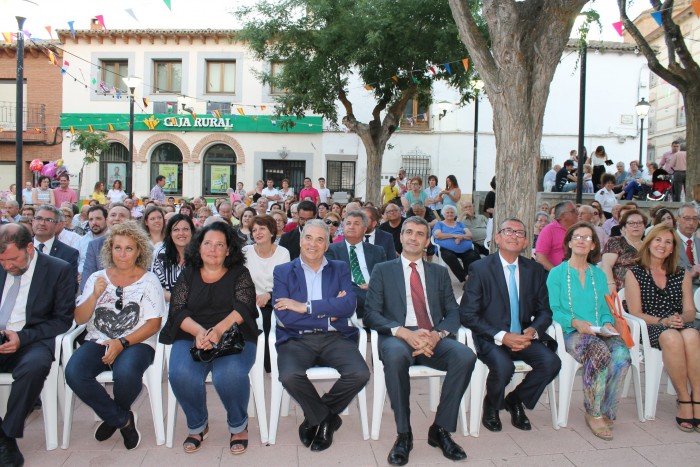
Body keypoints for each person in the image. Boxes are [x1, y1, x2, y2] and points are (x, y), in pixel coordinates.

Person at [364, 216, 475, 465]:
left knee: (465, 356)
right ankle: (404, 434)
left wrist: (437, 335)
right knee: (394, 355)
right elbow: (371, 313)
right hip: (398, 336)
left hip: (432, 335)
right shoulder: (383, 270)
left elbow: (453, 311)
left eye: (420, 234)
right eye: (409, 232)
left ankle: (441, 429)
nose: (414, 237)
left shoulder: (438, 272)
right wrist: (404, 332)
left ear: (427, 241)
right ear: (401, 237)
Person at [159, 222, 259, 454]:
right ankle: (198, 425)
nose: (213, 249)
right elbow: (178, 309)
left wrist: (217, 331)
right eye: (207, 244)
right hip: (192, 333)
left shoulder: (239, 274)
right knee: (181, 374)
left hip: (233, 334)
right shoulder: (188, 274)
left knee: (229, 375)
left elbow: (244, 307)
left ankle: (238, 425)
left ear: (228, 250)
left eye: (219, 245)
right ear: (199, 247)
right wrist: (199, 333)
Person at [65, 221, 165, 450]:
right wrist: (94, 296)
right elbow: (80, 319)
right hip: (98, 339)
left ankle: (112, 415)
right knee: (74, 372)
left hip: (137, 341)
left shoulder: (149, 281)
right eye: (117, 247)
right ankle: (121, 419)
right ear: (110, 249)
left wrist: (121, 343)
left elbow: (153, 324)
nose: (122, 253)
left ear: (139, 251)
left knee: (126, 373)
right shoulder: (97, 278)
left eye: (129, 248)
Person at [272, 219, 370, 452]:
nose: (313, 244)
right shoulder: (283, 271)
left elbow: (347, 306)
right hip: (295, 338)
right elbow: (285, 316)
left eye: (320, 239)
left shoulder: (340, 268)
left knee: (359, 373)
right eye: (308, 237)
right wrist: (328, 312)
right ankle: (326, 418)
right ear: (300, 240)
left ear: (327, 245)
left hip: (334, 338)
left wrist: (305, 307)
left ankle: (315, 416)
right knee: (289, 376)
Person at [460, 218, 561, 433]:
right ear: (497, 238)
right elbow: (467, 314)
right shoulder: (480, 268)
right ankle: (492, 405)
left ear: (526, 242)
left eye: (520, 233)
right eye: (508, 231)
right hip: (491, 337)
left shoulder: (534, 270)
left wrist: (533, 332)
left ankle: (515, 400)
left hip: (524, 335)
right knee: (505, 367)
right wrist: (502, 336)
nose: (514, 235)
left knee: (551, 362)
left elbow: (545, 311)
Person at [548, 222, 630, 440]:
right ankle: (593, 413)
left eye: (587, 238)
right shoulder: (557, 273)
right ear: (569, 242)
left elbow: (605, 309)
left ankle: (607, 410)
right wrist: (575, 322)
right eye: (577, 237)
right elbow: (552, 310)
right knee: (598, 351)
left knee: (622, 355)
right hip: (570, 332)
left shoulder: (599, 275)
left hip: (599, 330)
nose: (581, 241)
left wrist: (608, 323)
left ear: (594, 245)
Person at [0, 224, 74, 466]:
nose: (6, 266)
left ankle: (7, 437)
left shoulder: (58, 269)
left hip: (33, 339)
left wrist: (22, 337)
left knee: (34, 367)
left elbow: (62, 321)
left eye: (12, 259)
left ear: (29, 248)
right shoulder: (2, 264)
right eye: (2, 261)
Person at [624, 224, 700, 432]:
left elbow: (690, 311)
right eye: (658, 240)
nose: (662, 245)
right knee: (672, 338)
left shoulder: (680, 273)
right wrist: (663, 321)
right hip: (651, 326)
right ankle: (684, 400)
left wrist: (680, 318)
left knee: (692, 335)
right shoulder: (635, 273)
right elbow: (635, 312)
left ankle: (698, 397)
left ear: (673, 248)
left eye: (668, 242)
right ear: (649, 243)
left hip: (679, 324)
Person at [242, 215, 289, 373]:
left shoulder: (283, 253)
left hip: (274, 299)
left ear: (271, 231)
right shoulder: (245, 252)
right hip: (250, 299)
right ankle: (248, 363)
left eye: (262, 228)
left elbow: (286, 283)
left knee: (269, 319)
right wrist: (251, 297)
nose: (257, 232)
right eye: (254, 230)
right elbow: (240, 280)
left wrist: (268, 295)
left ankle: (269, 363)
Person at [326, 211, 386, 318]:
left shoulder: (377, 251)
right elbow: (335, 278)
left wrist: (373, 285)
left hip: (372, 292)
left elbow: (384, 277)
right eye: (348, 223)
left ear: (364, 229)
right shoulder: (331, 250)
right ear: (343, 228)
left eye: (356, 224)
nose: (351, 227)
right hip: (350, 295)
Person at [81, 203, 132, 293]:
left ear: (131, 221)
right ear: (107, 220)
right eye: (113, 215)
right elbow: (87, 279)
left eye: (122, 215)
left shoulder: (141, 245)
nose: (117, 218)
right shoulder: (95, 245)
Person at [31, 205, 79, 292]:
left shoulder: (69, 254)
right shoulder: (21, 248)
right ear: (33, 222)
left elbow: (70, 288)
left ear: (57, 225)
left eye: (49, 220)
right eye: (39, 218)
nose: (42, 223)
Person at [602, 209, 648, 292]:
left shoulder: (648, 245)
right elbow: (606, 266)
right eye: (631, 223)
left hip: (645, 290)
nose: (636, 225)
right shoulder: (616, 241)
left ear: (644, 227)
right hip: (621, 291)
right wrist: (610, 284)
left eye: (639, 223)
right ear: (624, 227)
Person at [151, 214, 194, 302]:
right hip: (169, 307)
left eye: (185, 229)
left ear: (192, 232)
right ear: (170, 233)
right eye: (176, 230)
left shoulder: (202, 253)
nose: (181, 233)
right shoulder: (161, 254)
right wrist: (179, 301)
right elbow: (156, 287)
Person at [432, 205, 479, 282]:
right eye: (447, 212)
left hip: (464, 249)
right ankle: (465, 277)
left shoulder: (460, 224)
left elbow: (469, 235)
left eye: (452, 212)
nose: (450, 214)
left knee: (471, 255)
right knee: (449, 256)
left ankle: (468, 280)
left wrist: (461, 237)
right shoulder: (439, 224)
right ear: (443, 214)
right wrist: (454, 235)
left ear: (455, 214)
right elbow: (438, 235)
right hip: (446, 249)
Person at [535, 201, 578, 271]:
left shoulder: (579, 230)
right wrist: (557, 274)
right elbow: (540, 258)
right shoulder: (549, 230)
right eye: (573, 211)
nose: (577, 213)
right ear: (562, 215)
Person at [676, 203, 700, 288]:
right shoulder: (669, 241)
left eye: (695, 219)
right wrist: (690, 274)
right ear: (678, 219)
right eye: (687, 218)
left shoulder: (698, 242)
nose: (691, 223)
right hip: (677, 292)